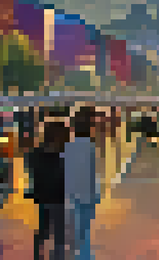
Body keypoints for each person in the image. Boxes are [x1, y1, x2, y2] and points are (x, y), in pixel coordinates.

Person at [25, 120, 68, 260]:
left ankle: (51, 254)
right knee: (48, 230)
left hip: (55, 197)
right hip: (51, 197)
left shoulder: (61, 153)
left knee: (55, 232)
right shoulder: (42, 154)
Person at [63, 107, 100, 260]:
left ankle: (75, 252)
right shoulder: (90, 147)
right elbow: (91, 173)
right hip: (86, 194)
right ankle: (83, 254)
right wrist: (95, 195)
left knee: (73, 230)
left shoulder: (68, 146)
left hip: (71, 194)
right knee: (84, 231)